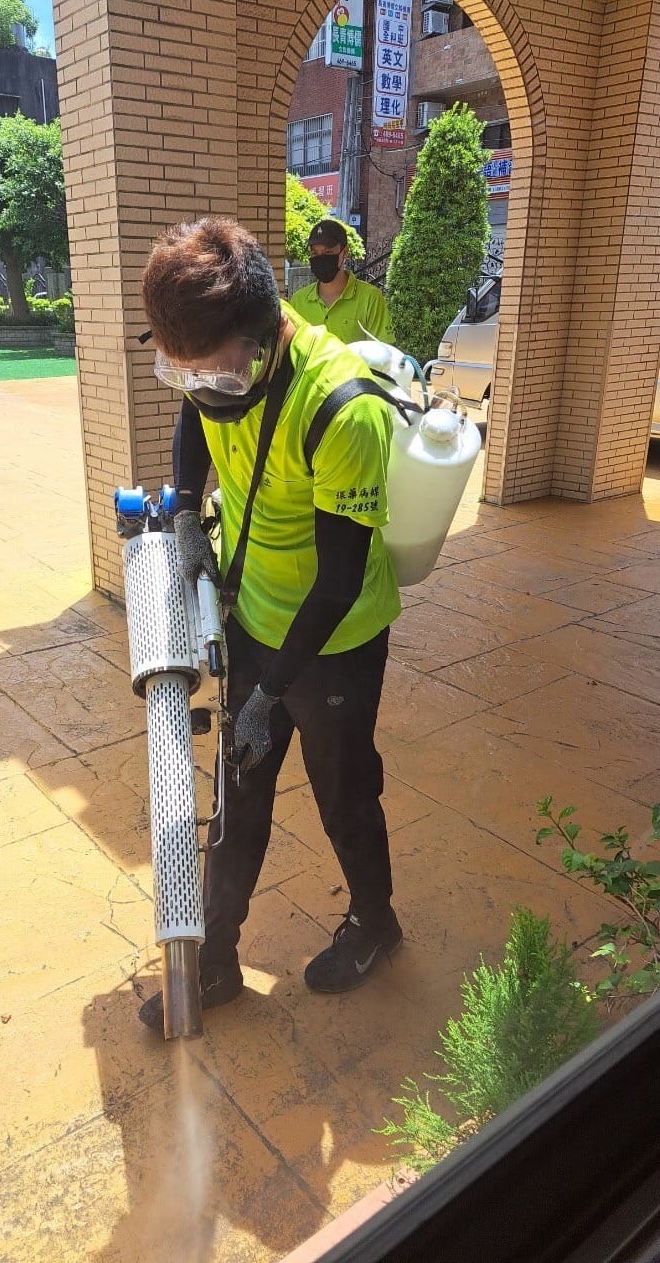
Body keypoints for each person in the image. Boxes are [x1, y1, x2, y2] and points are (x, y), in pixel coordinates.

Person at [137, 216, 403, 1034]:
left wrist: (270, 694)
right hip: (255, 612)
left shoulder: (344, 409)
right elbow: (195, 414)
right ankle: (214, 961)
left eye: (214, 375)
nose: (203, 389)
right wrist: (186, 510)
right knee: (239, 794)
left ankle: (376, 923)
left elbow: (338, 580)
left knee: (343, 791)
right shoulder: (216, 366)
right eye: (184, 373)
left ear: (262, 341)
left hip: (335, 638)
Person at [289, 218, 395, 346]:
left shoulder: (370, 298)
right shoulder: (298, 301)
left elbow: (382, 353)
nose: (321, 258)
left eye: (328, 252)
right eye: (315, 253)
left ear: (344, 252)